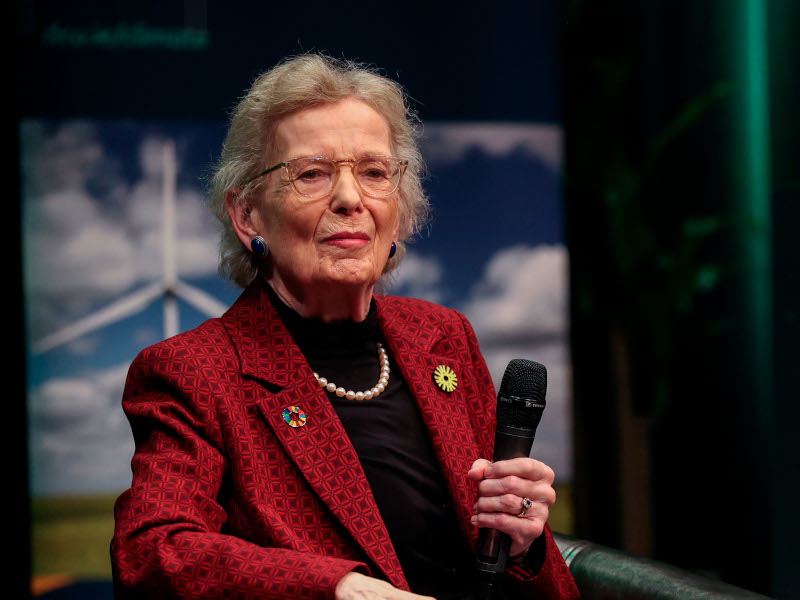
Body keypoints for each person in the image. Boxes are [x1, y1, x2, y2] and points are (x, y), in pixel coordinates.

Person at [111, 53, 579, 600]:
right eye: (311, 173)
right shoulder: (195, 372)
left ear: (398, 209)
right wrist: (340, 590)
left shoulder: (443, 337)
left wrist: (522, 540)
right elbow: (152, 553)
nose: (351, 199)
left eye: (375, 172)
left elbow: (511, 569)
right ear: (248, 216)